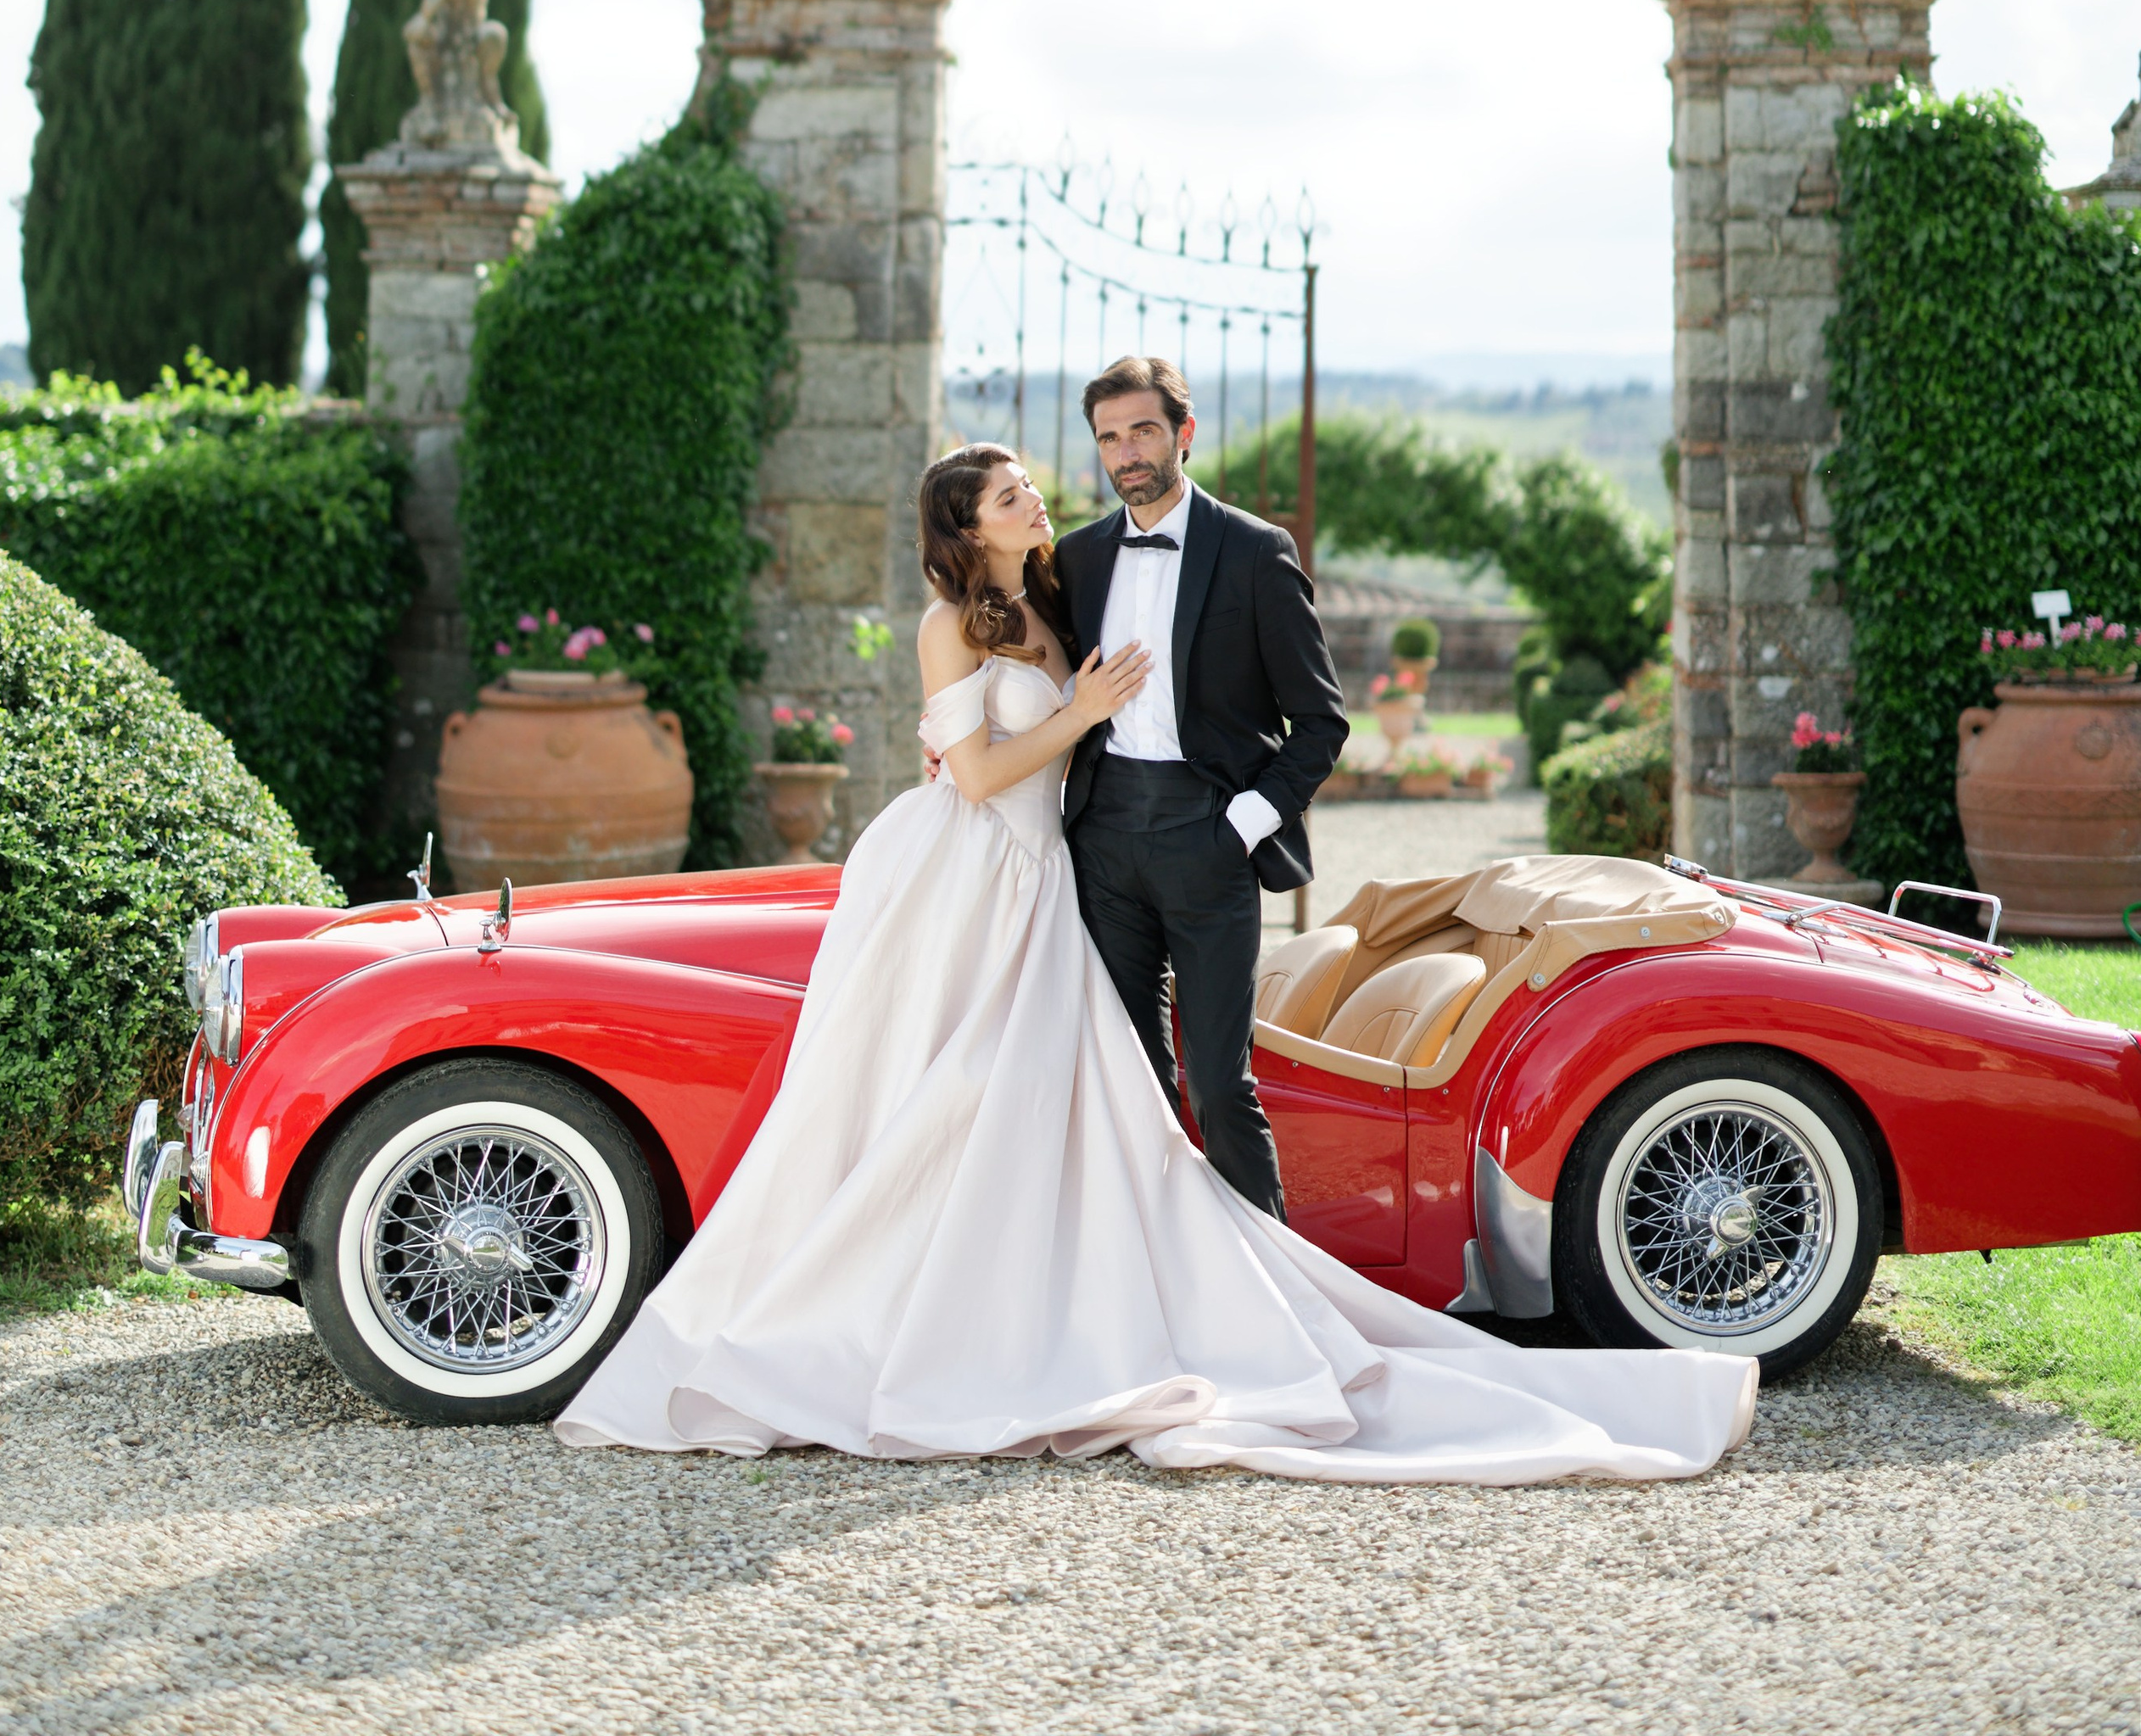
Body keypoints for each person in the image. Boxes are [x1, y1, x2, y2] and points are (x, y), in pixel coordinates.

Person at [555, 441, 1756, 1481]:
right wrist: (1079, 713)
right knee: (947, 1092)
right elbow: (970, 776)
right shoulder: (946, 624)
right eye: (1010, 495)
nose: (1035, 498)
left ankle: (1069, 1304)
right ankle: (896, 1323)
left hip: (1051, 875)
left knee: (1066, 1099)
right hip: (967, 878)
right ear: (967, 528)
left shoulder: (1058, 596)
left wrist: (1144, 749)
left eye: (1030, 485)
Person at [1055, 354, 1346, 1215]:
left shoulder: (1254, 552)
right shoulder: (1077, 559)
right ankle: (1157, 1276)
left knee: (1220, 1086)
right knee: (1131, 1086)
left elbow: (1321, 722)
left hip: (1209, 837)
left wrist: (1242, 826)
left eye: (1143, 431)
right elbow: (1037, 682)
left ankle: (1271, 1283)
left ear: (1183, 432)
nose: (1127, 453)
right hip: (1104, 840)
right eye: (1109, 438)